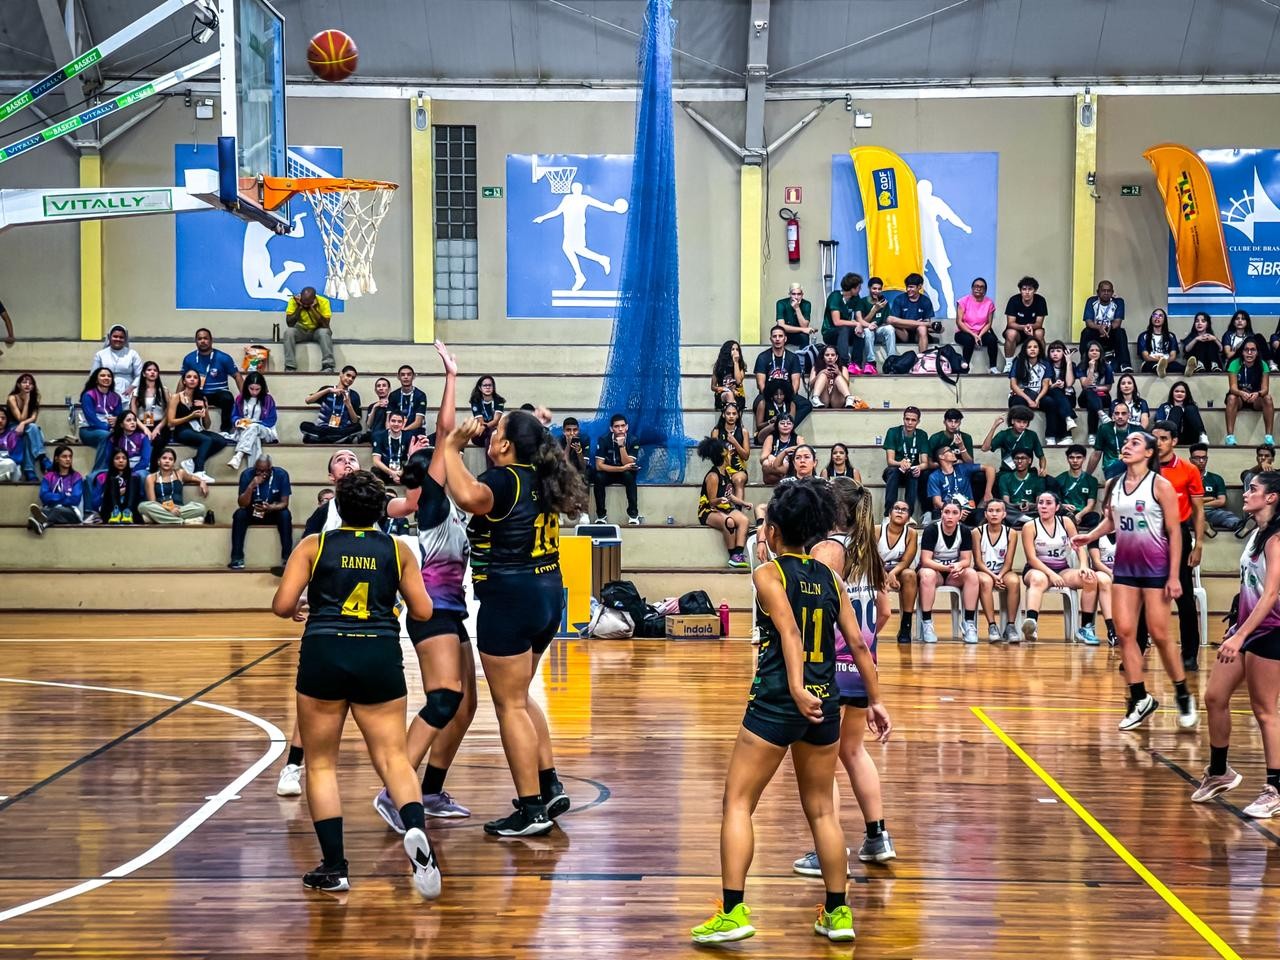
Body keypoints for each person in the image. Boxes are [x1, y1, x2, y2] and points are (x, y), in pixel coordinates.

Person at [690, 479, 890, 946]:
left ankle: (732, 911)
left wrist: (796, 689)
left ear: (773, 531)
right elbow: (859, 643)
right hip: (828, 702)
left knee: (738, 803)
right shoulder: (831, 578)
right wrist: (877, 700)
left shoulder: (768, 573)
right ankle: (838, 914)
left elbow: (789, 633)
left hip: (780, 699)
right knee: (822, 811)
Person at [271, 470, 440, 897]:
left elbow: (282, 606)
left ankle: (334, 867)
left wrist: (307, 601)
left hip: (325, 652)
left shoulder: (315, 545)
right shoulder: (397, 548)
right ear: (381, 510)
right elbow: (422, 611)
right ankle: (417, 834)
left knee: (322, 763)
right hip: (378, 653)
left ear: (337, 507)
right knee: (394, 758)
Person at [441, 409, 589, 836]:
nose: (491, 433)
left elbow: (468, 497)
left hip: (511, 597)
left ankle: (530, 809)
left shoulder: (505, 479)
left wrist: (451, 447)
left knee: (509, 706)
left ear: (505, 445)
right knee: (520, 697)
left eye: (497, 429)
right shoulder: (542, 479)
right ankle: (548, 784)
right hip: (547, 595)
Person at [376, 342, 479, 825]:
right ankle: (397, 791)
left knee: (466, 705)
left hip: (452, 610)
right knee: (444, 698)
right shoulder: (432, 504)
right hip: (432, 610)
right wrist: (452, 376)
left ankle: (431, 791)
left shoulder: (449, 504)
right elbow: (444, 434)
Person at [792, 479, 896, 877]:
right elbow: (884, 613)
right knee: (853, 752)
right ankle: (877, 837)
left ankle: (827, 848)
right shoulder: (869, 552)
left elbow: (810, 604)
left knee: (823, 763)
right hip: (861, 666)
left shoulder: (826, 550)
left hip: (828, 666)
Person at [1071, 433, 1198, 731]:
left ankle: (1182, 693)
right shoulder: (1114, 484)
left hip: (1155, 569)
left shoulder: (1161, 485)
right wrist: (1090, 536)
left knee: (1160, 634)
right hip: (1125, 569)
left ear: (1149, 452)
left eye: (1135, 443)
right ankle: (1140, 698)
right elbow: (1112, 521)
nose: (1127, 446)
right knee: (1126, 633)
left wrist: (1174, 575)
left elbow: (1175, 532)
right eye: (1126, 443)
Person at [1191, 471, 1280, 818]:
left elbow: (1271, 593)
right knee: (1214, 697)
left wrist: (1243, 634)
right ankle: (1219, 772)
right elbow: (1250, 585)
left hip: (1271, 630)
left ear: (1272, 497)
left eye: (1253, 489)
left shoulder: (1276, 539)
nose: (1245, 494)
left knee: (1265, 710)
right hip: (1247, 628)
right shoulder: (1257, 533)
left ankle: (1275, 788)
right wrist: (1235, 626)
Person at [1135, 422, 1206, 671]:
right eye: (1154, 438)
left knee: (1184, 596)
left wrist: (1198, 545)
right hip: (1147, 537)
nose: (1158, 443)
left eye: (1164, 438)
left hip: (1178, 536)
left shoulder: (1188, 469)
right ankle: (1137, 652)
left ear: (1174, 441)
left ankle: (1189, 655)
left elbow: (1198, 510)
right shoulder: (1141, 468)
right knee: (1142, 596)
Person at [1019, 491, 1106, 644]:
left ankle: (1085, 628)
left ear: (1057, 506)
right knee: (1038, 579)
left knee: (1090, 578)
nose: (1043, 506)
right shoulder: (1029, 526)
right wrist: (1051, 574)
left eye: (1048, 503)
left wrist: (1084, 566)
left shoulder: (1065, 522)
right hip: (1037, 569)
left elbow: (1079, 547)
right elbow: (1031, 558)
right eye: (1041, 503)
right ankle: (1032, 625)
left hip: (1062, 569)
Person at [916, 501, 980, 643]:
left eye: (954, 513)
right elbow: (926, 560)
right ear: (941, 513)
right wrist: (948, 568)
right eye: (946, 512)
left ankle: (968, 623)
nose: (950, 516)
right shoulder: (931, 530)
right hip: (935, 572)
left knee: (972, 574)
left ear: (960, 516)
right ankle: (927, 623)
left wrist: (958, 566)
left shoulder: (964, 531)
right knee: (927, 574)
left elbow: (966, 560)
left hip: (953, 574)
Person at [229, 455, 293, 571]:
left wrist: (271, 507)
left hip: (272, 512)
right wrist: (251, 486)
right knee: (239, 514)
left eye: (263, 471)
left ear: (270, 468)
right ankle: (237, 558)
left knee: (285, 514)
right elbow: (242, 504)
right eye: (257, 470)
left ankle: (287, 558)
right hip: (252, 512)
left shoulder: (281, 475)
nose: (260, 473)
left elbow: (284, 503)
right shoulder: (247, 475)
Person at [697, 436, 751, 568]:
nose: (732, 455)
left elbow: (729, 495)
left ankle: (738, 553)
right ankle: (732, 555)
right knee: (729, 522)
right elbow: (711, 502)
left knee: (744, 520)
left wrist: (743, 503)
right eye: (729, 453)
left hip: (724, 508)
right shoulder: (713, 476)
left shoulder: (726, 472)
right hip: (709, 510)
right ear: (724, 456)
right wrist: (720, 500)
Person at [974, 499, 1021, 643]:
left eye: (998, 511)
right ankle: (992, 626)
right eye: (990, 511)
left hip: (1003, 571)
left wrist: (1000, 576)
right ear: (986, 514)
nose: (994, 514)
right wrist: (994, 577)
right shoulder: (977, 532)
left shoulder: (1011, 533)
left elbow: (1009, 562)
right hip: (984, 571)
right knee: (986, 582)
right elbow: (978, 562)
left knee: (1014, 581)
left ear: (1004, 514)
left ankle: (1010, 626)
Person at [168, 369, 228, 480]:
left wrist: (205, 411)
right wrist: (190, 417)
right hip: (182, 430)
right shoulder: (176, 397)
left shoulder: (202, 398)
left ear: (198, 382)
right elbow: (170, 422)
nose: (192, 379)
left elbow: (207, 425)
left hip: (198, 430)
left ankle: (193, 461)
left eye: (195, 377)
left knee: (221, 441)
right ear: (184, 381)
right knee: (207, 440)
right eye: (189, 377)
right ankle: (198, 470)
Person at [182, 329, 243, 434]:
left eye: (205, 338)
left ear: (211, 340)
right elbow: (182, 380)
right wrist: (178, 396)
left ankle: (226, 430)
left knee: (227, 398)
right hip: (198, 393)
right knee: (187, 400)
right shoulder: (189, 359)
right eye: (199, 339)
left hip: (218, 394)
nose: (203, 341)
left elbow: (237, 375)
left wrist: (245, 396)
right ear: (195, 341)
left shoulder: (224, 358)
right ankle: (192, 430)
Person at [753, 326, 811, 429]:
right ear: (771, 339)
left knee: (806, 405)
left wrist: (787, 396)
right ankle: (771, 428)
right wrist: (772, 397)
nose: (777, 339)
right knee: (759, 403)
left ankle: (787, 428)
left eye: (780, 336)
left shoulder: (793, 358)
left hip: (787, 394)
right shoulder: (762, 357)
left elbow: (796, 383)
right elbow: (760, 384)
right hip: (768, 395)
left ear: (785, 339)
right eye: (774, 336)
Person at [878, 500, 919, 643]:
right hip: (876, 568)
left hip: (897, 570)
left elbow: (906, 561)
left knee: (910, 575)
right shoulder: (877, 529)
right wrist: (883, 574)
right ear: (889, 514)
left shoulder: (912, 533)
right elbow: (871, 557)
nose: (900, 511)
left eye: (904, 509)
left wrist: (892, 574)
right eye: (896, 508)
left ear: (908, 517)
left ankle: (905, 626)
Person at [137, 447, 210, 525]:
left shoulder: (180, 473)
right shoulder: (151, 478)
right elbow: (152, 502)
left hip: (180, 509)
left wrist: (202, 481)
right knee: (143, 506)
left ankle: (160, 519)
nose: (167, 461)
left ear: (173, 463)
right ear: (159, 461)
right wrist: (169, 509)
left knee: (200, 508)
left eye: (170, 459)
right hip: (161, 508)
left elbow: (192, 477)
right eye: (164, 458)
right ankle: (182, 521)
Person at [1225, 339, 1275, 447]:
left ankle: (1268, 437)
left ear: (1257, 352)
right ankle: (1230, 437)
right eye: (1246, 350)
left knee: (1268, 398)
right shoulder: (1235, 363)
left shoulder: (1263, 364)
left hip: (1256, 398)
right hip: (1240, 397)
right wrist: (1241, 393)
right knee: (1231, 398)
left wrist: (1258, 394)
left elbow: (1265, 389)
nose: (1249, 353)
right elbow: (1233, 387)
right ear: (1242, 352)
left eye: (1253, 350)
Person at [593, 413, 640, 524]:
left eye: (623, 426)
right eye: (616, 426)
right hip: (609, 472)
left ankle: (633, 515)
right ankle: (601, 516)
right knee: (598, 477)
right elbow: (599, 466)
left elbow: (628, 463)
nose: (620, 429)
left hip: (625, 473)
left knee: (629, 475)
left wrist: (621, 446)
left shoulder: (633, 440)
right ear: (611, 428)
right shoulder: (604, 440)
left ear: (627, 427)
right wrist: (621, 469)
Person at [226, 372, 279, 470]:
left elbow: (271, 420)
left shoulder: (268, 399)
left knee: (254, 427)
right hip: (244, 431)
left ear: (262, 388)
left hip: (264, 430)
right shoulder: (240, 398)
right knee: (255, 439)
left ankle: (239, 455)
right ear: (247, 387)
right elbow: (234, 416)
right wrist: (238, 421)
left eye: (257, 389)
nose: (254, 392)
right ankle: (254, 471)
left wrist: (254, 423)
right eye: (251, 389)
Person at [28, 444, 84, 534]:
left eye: (70, 456)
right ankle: (42, 523)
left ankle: (42, 523)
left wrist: (54, 498)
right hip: (51, 509)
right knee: (42, 511)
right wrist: (63, 495)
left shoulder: (76, 477)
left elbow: (75, 499)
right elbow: (44, 496)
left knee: (57, 510)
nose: (68, 459)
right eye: (64, 457)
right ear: (56, 459)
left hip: (72, 512)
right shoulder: (48, 476)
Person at [882, 405, 927, 517]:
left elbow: (925, 463)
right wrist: (900, 463)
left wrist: (918, 468)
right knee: (893, 471)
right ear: (903, 419)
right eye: (907, 419)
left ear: (918, 421)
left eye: (913, 420)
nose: (910, 422)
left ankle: (908, 516)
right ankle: (888, 514)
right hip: (895, 470)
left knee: (914, 474)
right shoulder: (893, 432)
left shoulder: (922, 435)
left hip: (911, 471)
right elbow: (890, 461)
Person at [1079, 280, 1132, 373]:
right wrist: (1099, 328)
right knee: (1086, 332)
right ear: (1098, 292)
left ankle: (1125, 364)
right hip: (1096, 333)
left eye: (1109, 291)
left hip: (1110, 333)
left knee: (1120, 332)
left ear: (1112, 292)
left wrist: (1108, 328)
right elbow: (1088, 322)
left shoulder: (1118, 302)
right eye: (1103, 290)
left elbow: (1117, 322)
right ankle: (1084, 362)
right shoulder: (1091, 301)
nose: (1106, 293)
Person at [301, 367, 363, 444]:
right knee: (304, 425)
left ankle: (319, 439)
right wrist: (328, 390)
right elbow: (308, 400)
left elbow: (355, 421)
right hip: (323, 428)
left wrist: (349, 405)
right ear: (341, 374)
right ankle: (338, 439)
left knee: (358, 427)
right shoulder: (327, 389)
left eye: (353, 378)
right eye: (348, 375)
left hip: (341, 429)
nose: (350, 379)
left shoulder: (354, 395)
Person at [1189, 443, 1241, 536]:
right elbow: (1185, 501)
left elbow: (1221, 501)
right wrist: (1210, 498)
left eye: (1204, 458)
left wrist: (1200, 503)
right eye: (1197, 458)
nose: (1201, 461)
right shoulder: (1185, 477)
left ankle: (1240, 526)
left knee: (1225, 515)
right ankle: (1202, 524)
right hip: (1191, 511)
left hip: (1211, 511)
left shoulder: (1216, 478)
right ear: (1190, 460)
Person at [926, 442, 981, 525]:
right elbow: (937, 502)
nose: (954, 452)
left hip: (966, 509)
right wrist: (956, 511)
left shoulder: (962, 468)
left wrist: (988, 492)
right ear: (941, 456)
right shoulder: (934, 476)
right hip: (947, 509)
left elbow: (989, 468)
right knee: (937, 513)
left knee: (981, 514)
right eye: (950, 451)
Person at [984, 407, 1047, 478]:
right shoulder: (1004, 434)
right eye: (1019, 421)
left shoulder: (1032, 435)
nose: (1022, 425)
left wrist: (1042, 469)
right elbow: (985, 448)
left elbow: (1041, 457)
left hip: (1026, 472)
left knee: (1049, 481)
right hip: (1007, 472)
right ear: (1012, 421)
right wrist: (994, 427)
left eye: (1025, 422)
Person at [283, 286, 335, 372]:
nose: (305, 305)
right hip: (301, 330)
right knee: (289, 332)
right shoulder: (294, 301)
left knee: (324, 332)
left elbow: (325, 325)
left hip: (317, 330)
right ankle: (290, 366)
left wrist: (312, 308)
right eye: (304, 302)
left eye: (308, 303)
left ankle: (328, 365)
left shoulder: (324, 302)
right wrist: (299, 307)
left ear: (314, 299)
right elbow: (290, 323)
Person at [7, 373, 48, 479]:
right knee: (32, 429)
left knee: (28, 435)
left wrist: (23, 423)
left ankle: (29, 470)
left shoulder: (35, 399)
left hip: (27, 427)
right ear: (18, 385)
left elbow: (33, 418)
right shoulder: (12, 398)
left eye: (30, 383)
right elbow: (20, 418)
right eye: (24, 382)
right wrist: (26, 401)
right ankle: (41, 457)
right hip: (12, 428)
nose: (27, 385)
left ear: (33, 386)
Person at [1002, 276, 1048, 372]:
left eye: (1030, 289)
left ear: (1035, 291)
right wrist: (1024, 327)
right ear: (1020, 290)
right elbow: (1010, 323)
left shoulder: (1040, 300)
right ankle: (1009, 363)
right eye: (1024, 289)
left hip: (1033, 330)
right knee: (1011, 333)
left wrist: (1030, 327)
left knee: (1040, 333)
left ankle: (1042, 361)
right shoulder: (1014, 300)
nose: (1027, 292)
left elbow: (1039, 323)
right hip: (1017, 331)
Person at [954, 276, 999, 373]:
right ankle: (965, 367)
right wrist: (973, 335)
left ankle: (993, 367)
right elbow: (959, 322)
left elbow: (988, 323)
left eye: (981, 287)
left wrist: (980, 335)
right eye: (976, 286)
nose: (978, 288)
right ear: (972, 288)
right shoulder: (963, 301)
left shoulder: (989, 303)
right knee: (969, 340)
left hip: (981, 333)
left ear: (985, 290)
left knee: (992, 339)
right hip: (963, 332)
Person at [1089, 400, 1141, 480]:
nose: (1120, 416)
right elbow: (1096, 454)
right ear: (1113, 416)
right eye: (1117, 413)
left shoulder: (1138, 430)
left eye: (1123, 413)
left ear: (1129, 415)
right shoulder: (1105, 428)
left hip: (1132, 467)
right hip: (1111, 467)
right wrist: (1086, 476)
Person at [132, 362, 170, 471]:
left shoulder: (164, 390)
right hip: (141, 424)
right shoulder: (136, 391)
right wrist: (145, 429)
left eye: (155, 370)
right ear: (144, 374)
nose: (152, 372)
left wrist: (158, 428)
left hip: (160, 424)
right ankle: (141, 467)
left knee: (157, 440)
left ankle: (153, 470)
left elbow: (169, 412)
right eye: (149, 370)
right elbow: (133, 415)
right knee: (145, 439)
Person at [710, 402, 751, 502]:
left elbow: (746, 456)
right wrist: (725, 453)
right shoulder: (716, 431)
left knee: (738, 480)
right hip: (721, 468)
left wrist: (735, 442)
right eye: (728, 414)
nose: (731, 416)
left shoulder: (743, 431)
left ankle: (738, 511)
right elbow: (712, 455)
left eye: (734, 413)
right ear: (723, 415)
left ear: (738, 415)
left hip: (738, 469)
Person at [90, 324, 142, 403]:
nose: (118, 339)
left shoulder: (132, 354)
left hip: (127, 392)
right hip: (105, 390)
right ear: (109, 337)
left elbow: (140, 375)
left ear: (125, 339)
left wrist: (131, 388)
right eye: (115, 336)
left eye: (121, 337)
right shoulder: (100, 354)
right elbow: (94, 375)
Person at [888, 272, 939, 353]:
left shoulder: (925, 301)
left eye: (911, 287)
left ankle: (922, 360)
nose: (908, 289)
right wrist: (916, 323)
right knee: (892, 323)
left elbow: (927, 323)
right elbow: (891, 320)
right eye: (907, 287)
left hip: (918, 333)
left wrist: (936, 328)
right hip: (903, 333)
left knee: (922, 328)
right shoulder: (899, 299)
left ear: (919, 287)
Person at [1040, 340, 1078, 445]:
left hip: (1066, 395)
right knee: (1054, 397)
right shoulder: (1045, 364)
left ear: (1064, 352)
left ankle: (1051, 437)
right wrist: (1054, 385)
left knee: (1059, 399)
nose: (1055, 353)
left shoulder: (1070, 365)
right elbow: (1045, 385)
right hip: (1048, 393)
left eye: (1058, 350)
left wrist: (1069, 362)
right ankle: (1068, 426)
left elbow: (1069, 383)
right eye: (1052, 351)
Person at [995, 450, 1046, 528]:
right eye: (1016, 458)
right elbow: (1006, 502)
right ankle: (1029, 521)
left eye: (1023, 458)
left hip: (1031, 511)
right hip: (1013, 511)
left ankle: (1023, 520)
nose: (1019, 461)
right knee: (1001, 507)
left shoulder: (1037, 479)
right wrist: (1018, 506)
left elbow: (1039, 503)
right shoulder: (1004, 478)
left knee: (1049, 507)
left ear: (1029, 460)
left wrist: (1030, 505)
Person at [1075, 340, 1114, 443]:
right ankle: (1101, 413)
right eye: (1092, 350)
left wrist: (1096, 388)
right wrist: (1091, 369)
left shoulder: (1107, 367)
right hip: (1086, 397)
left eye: (1097, 350)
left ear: (1100, 353)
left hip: (1102, 396)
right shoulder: (1082, 366)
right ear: (1087, 353)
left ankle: (1092, 435)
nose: (1094, 352)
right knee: (1089, 392)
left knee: (1093, 406)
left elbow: (1108, 387)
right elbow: (1085, 385)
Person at [1055, 444, 1100, 530]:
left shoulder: (1091, 480)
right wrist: (1063, 505)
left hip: (1082, 514)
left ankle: (1072, 523)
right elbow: (1055, 502)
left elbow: (1091, 504)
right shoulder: (1059, 479)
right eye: (1071, 457)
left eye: (1078, 457)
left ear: (1084, 458)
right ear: (1067, 459)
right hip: (1065, 513)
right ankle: (1070, 522)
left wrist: (1079, 515)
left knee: (1095, 517)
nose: (1075, 461)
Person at [821, 273, 862, 367]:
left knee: (860, 332)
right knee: (844, 329)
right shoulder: (835, 296)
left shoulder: (856, 298)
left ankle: (856, 364)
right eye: (859, 287)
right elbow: (837, 322)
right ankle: (843, 362)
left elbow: (859, 318)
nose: (860, 289)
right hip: (830, 332)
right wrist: (855, 324)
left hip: (845, 332)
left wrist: (860, 325)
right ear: (852, 288)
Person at [100, 410, 152, 483]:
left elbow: (145, 460)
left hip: (138, 469)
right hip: (118, 469)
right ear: (121, 424)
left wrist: (130, 473)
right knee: (101, 476)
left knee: (141, 476)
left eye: (134, 420)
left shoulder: (143, 437)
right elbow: (109, 459)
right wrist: (120, 472)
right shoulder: (113, 438)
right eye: (128, 420)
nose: (132, 422)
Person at [1087, 530, 1120, 646]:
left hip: (1123, 571)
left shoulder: (1127, 531)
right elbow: (1096, 562)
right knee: (1104, 581)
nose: (1109, 511)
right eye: (1106, 509)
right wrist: (1112, 574)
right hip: (1103, 571)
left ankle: (1141, 631)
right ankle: (1112, 630)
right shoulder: (1096, 533)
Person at [91, 448, 141, 523]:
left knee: (134, 478)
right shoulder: (102, 477)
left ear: (127, 461)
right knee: (112, 480)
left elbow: (139, 496)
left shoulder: (134, 477)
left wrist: (126, 491)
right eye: (117, 458)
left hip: (130, 510)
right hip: (110, 510)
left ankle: (127, 512)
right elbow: (96, 501)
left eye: (124, 458)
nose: (121, 461)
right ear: (112, 461)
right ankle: (116, 511)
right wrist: (115, 492)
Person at [79, 368, 121, 455]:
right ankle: (101, 468)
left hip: (110, 430)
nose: (106, 378)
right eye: (102, 375)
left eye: (109, 376)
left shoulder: (116, 397)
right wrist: (109, 428)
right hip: (89, 430)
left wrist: (117, 420)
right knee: (107, 436)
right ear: (96, 380)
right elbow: (92, 420)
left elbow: (119, 416)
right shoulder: (88, 395)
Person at [1154, 380, 1208, 447]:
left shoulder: (1191, 408)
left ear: (1186, 394)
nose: (1179, 393)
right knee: (1176, 409)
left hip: (1190, 436)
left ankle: (1202, 435)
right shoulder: (1164, 406)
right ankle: (1170, 437)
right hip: (1172, 436)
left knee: (1190, 408)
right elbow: (1159, 424)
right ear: (1172, 393)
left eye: (1182, 392)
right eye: (1177, 391)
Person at [1136, 309, 1184, 378]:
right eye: (1154, 315)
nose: (1157, 317)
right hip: (1150, 363)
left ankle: (1189, 369)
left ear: (1164, 320)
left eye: (1160, 316)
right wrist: (1160, 361)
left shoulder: (1171, 336)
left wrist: (1164, 362)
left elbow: (1173, 356)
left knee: (1178, 366)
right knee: (1153, 366)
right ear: (1151, 318)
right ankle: (1159, 368)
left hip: (1167, 363)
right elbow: (1146, 357)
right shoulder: (1143, 336)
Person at [760, 413, 803, 487]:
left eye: (789, 423)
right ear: (777, 425)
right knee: (766, 463)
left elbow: (804, 451)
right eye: (782, 423)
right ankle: (786, 477)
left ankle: (785, 477)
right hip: (774, 466)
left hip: (790, 466)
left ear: (793, 426)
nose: (785, 425)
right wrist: (769, 456)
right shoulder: (771, 437)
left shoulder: (798, 438)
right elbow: (762, 459)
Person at [754, 380, 799, 445]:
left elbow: (791, 423)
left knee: (784, 424)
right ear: (771, 394)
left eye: (781, 394)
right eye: (776, 394)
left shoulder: (791, 404)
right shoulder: (763, 403)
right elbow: (759, 426)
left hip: (784, 432)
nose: (779, 397)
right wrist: (770, 421)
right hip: (765, 433)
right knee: (776, 425)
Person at [372, 411, 411, 486]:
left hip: (403, 471)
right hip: (385, 471)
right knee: (375, 470)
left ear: (403, 424)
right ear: (389, 422)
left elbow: (411, 458)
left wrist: (401, 473)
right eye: (393, 421)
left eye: (399, 422)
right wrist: (392, 473)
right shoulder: (379, 436)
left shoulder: (409, 437)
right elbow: (376, 461)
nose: (396, 424)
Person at [469, 374, 505, 454]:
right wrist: (484, 426)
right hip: (479, 433)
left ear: (493, 387)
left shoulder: (499, 400)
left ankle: (491, 466)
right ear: (480, 388)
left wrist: (485, 426)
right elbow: (480, 421)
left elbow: (496, 421)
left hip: (494, 431)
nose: (488, 387)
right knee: (489, 435)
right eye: (485, 385)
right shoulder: (476, 401)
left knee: (490, 437)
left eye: (490, 385)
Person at [776, 282, 813, 354]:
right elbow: (781, 326)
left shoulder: (806, 304)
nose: (796, 297)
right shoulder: (781, 303)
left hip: (798, 335)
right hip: (785, 333)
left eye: (799, 294)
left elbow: (804, 325)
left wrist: (797, 308)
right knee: (778, 333)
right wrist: (803, 329)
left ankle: (803, 359)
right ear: (790, 294)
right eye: (793, 294)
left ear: (802, 295)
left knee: (805, 336)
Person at [711, 340, 748, 410]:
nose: (735, 352)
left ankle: (733, 415)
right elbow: (713, 387)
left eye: (737, 349)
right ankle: (734, 415)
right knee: (729, 394)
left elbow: (738, 382)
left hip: (737, 395)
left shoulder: (740, 366)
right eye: (733, 349)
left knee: (732, 396)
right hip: (722, 395)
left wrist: (736, 363)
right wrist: (720, 388)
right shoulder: (718, 366)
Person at [394, 365, 429, 436]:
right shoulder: (393, 395)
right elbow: (389, 418)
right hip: (396, 431)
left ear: (414, 377)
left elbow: (418, 422)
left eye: (409, 374)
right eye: (403, 375)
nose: (406, 377)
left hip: (415, 431)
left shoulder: (420, 395)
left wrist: (402, 431)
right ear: (398, 377)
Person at [0, 408, 22, 482]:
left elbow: (17, 458)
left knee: (10, 464)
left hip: (8, 465)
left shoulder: (12, 435)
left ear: (7, 420)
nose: (0, 421)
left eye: (3, 418)